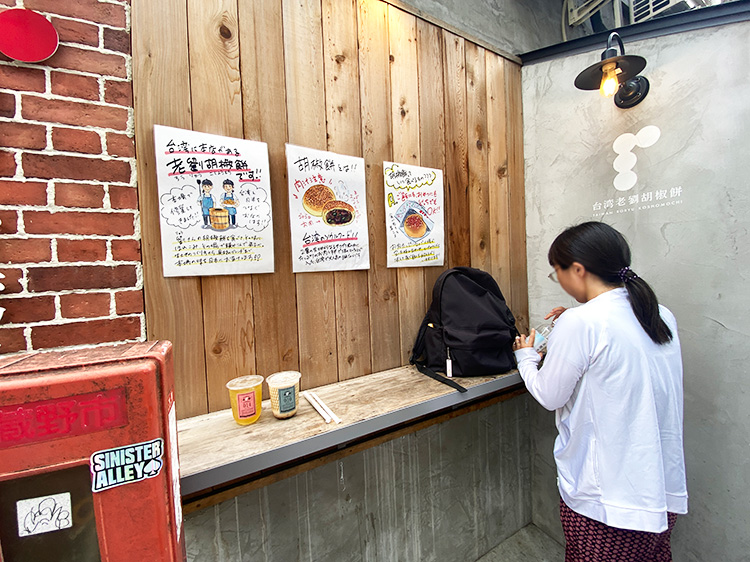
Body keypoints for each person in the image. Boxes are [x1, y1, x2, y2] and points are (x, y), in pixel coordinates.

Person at [512, 221, 687, 562]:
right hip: (660, 490)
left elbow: (550, 396)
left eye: (556, 272)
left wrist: (526, 357)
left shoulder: (582, 322)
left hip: (607, 502)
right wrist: (571, 324)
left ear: (577, 270)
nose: (559, 280)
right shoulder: (659, 313)